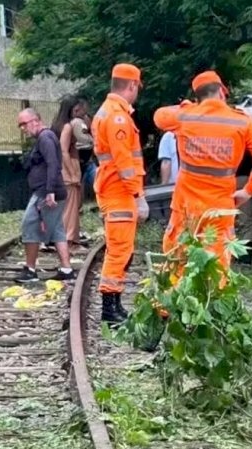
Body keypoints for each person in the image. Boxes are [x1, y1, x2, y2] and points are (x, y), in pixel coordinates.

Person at [153, 71, 252, 272]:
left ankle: (176, 303)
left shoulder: (184, 116)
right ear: (221, 92)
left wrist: (188, 106)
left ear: (197, 96)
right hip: (220, 206)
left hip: (186, 205)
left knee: (179, 261)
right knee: (216, 263)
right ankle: (211, 301)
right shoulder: (241, 121)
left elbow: (159, 116)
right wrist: (247, 191)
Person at [92, 63, 149, 325]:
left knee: (120, 249)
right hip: (119, 192)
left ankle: (114, 305)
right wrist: (138, 195)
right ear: (132, 85)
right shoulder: (118, 117)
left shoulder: (108, 113)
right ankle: (110, 309)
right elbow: (125, 163)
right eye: (137, 87)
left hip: (114, 189)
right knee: (119, 250)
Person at [16, 108, 76, 283]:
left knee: (29, 225)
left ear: (35, 120)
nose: (22, 129)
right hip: (48, 191)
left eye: (23, 124)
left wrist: (50, 191)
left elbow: (53, 164)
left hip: (45, 192)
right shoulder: (46, 137)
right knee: (56, 229)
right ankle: (66, 269)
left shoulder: (45, 138)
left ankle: (30, 270)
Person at [51, 96, 87, 250]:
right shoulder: (67, 126)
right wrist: (73, 173)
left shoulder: (57, 125)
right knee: (71, 207)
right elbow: (64, 150)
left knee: (67, 206)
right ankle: (69, 241)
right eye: (79, 108)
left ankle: (65, 239)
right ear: (74, 109)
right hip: (68, 170)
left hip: (62, 169)